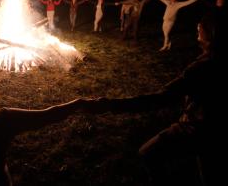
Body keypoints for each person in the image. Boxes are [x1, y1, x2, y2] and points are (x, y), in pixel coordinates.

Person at [94, 14, 227, 186]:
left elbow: (162, 97)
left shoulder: (202, 68)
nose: (197, 27)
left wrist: (113, 105)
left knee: (148, 152)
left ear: (210, 34)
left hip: (196, 127)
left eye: (201, 27)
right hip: (214, 128)